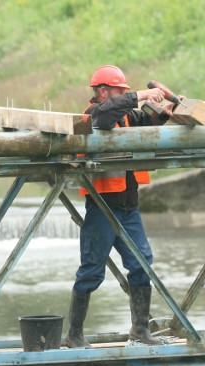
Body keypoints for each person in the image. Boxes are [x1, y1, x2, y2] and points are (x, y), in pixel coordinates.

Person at [64, 65, 177, 349]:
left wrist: (164, 111)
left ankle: (140, 330)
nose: (123, 96)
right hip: (102, 207)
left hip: (128, 208)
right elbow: (104, 115)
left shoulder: (126, 116)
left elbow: (146, 121)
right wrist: (140, 94)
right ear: (102, 92)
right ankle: (74, 334)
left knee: (142, 264)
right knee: (91, 271)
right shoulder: (92, 115)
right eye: (118, 91)